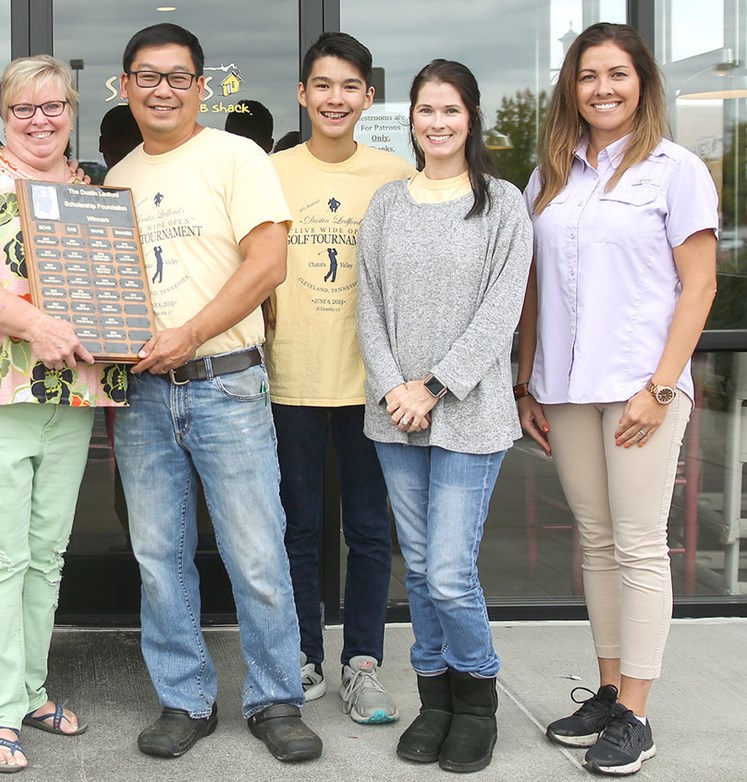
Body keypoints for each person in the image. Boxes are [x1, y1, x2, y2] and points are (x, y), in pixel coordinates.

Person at [104, 22, 322, 764]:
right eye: (146, 76)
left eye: (176, 77)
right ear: (125, 86)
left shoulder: (237, 156)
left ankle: (274, 699)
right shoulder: (115, 180)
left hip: (225, 385)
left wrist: (189, 333)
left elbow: (267, 265)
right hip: (141, 397)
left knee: (255, 553)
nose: (161, 89)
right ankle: (184, 698)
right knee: (157, 555)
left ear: (200, 86)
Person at [518, 22, 718, 777]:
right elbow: (534, 289)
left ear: (642, 84)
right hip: (565, 390)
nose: (602, 87)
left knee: (637, 546)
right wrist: (524, 377)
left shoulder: (675, 170)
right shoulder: (548, 175)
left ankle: (635, 713)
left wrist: (660, 387)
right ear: (570, 87)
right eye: (587, 75)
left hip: (641, 389)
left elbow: (697, 286)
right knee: (595, 544)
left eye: (617, 74)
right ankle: (606, 691)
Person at [0, 54, 127, 774]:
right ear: (1, 116)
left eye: (51, 107)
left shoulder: (88, 187)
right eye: (22, 109)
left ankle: (30, 689)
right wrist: (33, 326)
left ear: (70, 110)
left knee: (45, 556)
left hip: (67, 394)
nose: (38, 120)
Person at [354, 58, 531, 774]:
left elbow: (501, 312)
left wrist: (433, 386)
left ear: (470, 117)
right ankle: (435, 699)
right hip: (394, 414)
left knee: (451, 572)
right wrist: (394, 386)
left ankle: (477, 701)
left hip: (470, 414)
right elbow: (366, 304)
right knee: (421, 568)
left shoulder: (502, 204)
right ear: (411, 119)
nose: (436, 122)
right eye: (425, 110)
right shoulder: (388, 204)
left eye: (449, 110)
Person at [265, 32, 413, 726]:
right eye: (322, 85)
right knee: (294, 527)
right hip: (287, 378)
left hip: (369, 384)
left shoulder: (394, 175)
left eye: (348, 86)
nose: (334, 98)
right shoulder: (271, 171)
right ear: (302, 93)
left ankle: (362, 664)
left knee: (367, 529)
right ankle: (300, 654)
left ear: (367, 98)